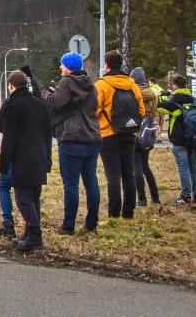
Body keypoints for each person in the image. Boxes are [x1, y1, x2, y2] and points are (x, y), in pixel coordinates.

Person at [42, 52, 101, 234]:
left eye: (62, 65)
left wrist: (47, 94)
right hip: (92, 136)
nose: (60, 67)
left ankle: (68, 226)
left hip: (71, 138)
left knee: (71, 184)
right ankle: (91, 224)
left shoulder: (66, 82)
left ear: (68, 67)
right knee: (91, 181)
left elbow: (56, 103)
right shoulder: (91, 85)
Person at [0, 70, 52, 251]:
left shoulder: (13, 106)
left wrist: (3, 164)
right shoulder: (40, 104)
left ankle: (35, 234)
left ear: (11, 86)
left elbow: (9, 138)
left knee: (22, 198)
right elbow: (47, 134)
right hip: (40, 156)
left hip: (23, 158)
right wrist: (48, 159)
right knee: (34, 198)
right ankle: (29, 234)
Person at [95, 51, 146, 219]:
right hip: (129, 133)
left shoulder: (102, 84)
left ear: (107, 65)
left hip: (108, 134)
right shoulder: (132, 84)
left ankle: (114, 212)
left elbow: (95, 110)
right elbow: (141, 110)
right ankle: (128, 211)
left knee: (113, 176)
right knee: (128, 174)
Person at [158, 76, 196, 205]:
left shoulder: (176, 99)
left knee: (184, 168)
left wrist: (163, 97)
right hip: (193, 137)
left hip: (180, 138)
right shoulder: (193, 98)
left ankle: (186, 195)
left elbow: (162, 108)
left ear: (175, 85)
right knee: (194, 167)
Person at [130, 67, 160, 206]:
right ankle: (155, 197)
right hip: (148, 132)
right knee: (146, 167)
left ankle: (142, 199)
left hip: (137, 132)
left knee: (136, 167)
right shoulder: (153, 94)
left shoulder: (135, 95)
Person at [0, 107, 17, 240]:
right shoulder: (38, 103)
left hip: (12, 152)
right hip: (33, 154)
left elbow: (0, 125)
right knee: (28, 192)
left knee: (3, 187)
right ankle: (32, 228)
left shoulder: (10, 104)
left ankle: (8, 223)